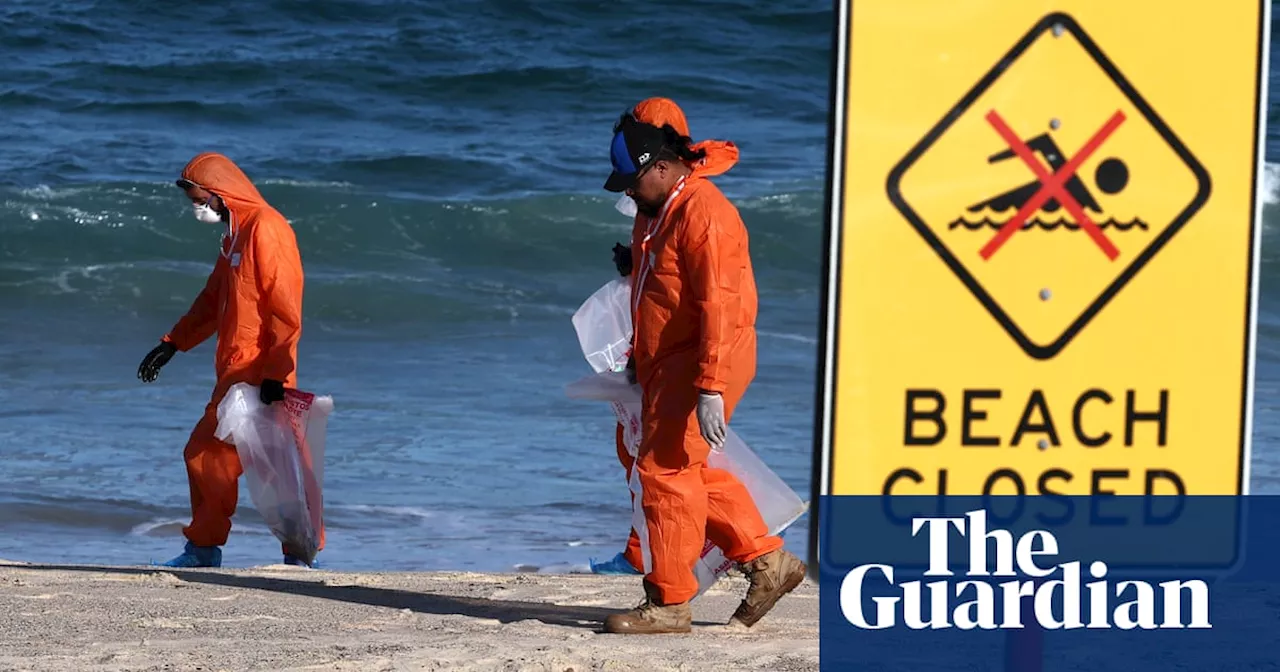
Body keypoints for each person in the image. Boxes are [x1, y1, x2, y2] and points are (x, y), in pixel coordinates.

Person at [599, 113, 807, 634]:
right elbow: (660, 291)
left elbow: (722, 306)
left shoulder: (705, 214)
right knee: (676, 465)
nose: (628, 193)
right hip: (667, 359)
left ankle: (669, 603)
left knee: (664, 471)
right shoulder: (658, 209)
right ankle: (766, 561)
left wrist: (711, 387)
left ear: (664, 168)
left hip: (704, 359)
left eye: (633, 181)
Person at [136, 152, 319, 568]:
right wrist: (172, 344)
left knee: (251, 464)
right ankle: (228, 551)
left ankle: (278, 554)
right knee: (243, 462)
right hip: (235, 373)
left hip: (259, 373)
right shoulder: (235, 236)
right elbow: (212, 300)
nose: (198, 208)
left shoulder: (266, 230)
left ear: (220, 193)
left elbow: (285, 309)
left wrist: (277, 373)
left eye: (201, 199)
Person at [591, 97, 713, 577]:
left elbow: (714, 296)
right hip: (653, 339)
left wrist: (711, 382)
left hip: (677, 349)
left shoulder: (689, 202)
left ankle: (661, 560)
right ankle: (645, 550)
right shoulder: (662, 192)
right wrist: (635, 261)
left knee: (664, 458)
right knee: (640, 445)